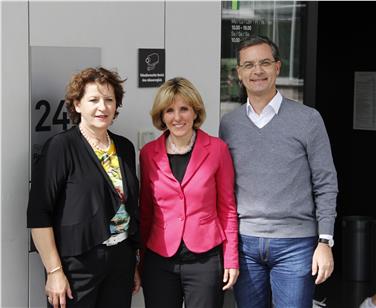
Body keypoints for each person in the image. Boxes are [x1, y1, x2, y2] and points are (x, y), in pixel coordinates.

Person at [219, 35, 338, 308]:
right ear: (239, 73)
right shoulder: (229, 124)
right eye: (248, 65)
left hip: (296, 244)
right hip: (245, 244)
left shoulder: (308, 119)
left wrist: (325, 241)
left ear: (278, 67)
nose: (257, 71)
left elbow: (326, 183)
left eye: (264, 63)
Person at [27, 67, 140, 308]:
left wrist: (132, 261)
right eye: (94, 100)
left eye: (109, 100)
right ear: (77, 105)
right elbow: (39, 213)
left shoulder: (125, 147)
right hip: (76, 265)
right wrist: (54, 271)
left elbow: (129, 207)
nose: (103, 107)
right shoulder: (60, 147)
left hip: (121, 260)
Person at [139, 77, 239, 308]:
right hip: (160, 258)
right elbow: (145, 211)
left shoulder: (217, 149)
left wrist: (231, 258)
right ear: (161, 116)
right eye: (169, 110)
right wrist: (141, 260)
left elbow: (227, 208)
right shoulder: (148, 153)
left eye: (184, 109)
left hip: (204, 259)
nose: (177, 117)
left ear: (195, 112)